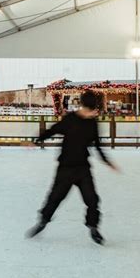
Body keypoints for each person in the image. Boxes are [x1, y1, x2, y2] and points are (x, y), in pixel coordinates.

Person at [26, 91, 118, 244]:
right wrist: (35, 141)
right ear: (84, 106)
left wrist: (108, 162)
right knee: (55, 197)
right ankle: (42, 222)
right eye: (91, 110)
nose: (93, 113)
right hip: (65, 169)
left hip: (83, 169)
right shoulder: (70, 120)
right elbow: (52, 130)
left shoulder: (93, 123)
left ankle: (93, 228)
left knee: (92, 200)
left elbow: (98, 146)